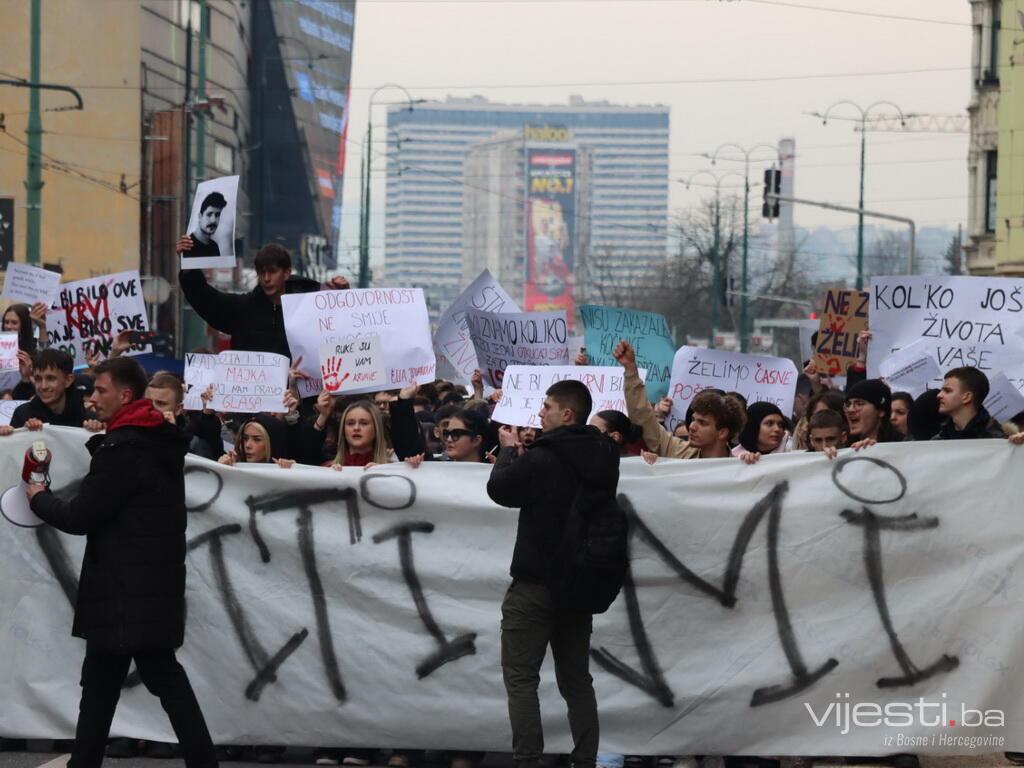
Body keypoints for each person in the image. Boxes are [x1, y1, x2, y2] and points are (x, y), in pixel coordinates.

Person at [25, 357, 218, 768]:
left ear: (125, 395)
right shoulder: (156, 440)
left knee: (145, 682)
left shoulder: (125, 448)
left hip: (124, 591)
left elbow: (81, 517)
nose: (91, 398)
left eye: (100, 390)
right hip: (144, 586)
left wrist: (37, 495)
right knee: (108, 685)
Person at [487, 379, 617, 768]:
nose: (539, 414)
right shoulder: (603, 459)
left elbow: (501, 490)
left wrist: (510, 453)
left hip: (535, 585)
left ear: (567, 414)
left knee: (522, 679)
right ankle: (585, 759)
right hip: (578, 586)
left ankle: (528, 759)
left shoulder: (544, 458)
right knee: (577, 680)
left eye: (546, 407)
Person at [177, 238, 347, 359]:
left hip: (298, 405)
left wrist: (342, 296)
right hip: (250, 403)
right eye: (261, 272)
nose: (266, 278)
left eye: (272, 272)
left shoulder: (310, 310)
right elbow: (206, 299)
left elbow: (342, 331)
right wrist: (188, 266)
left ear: (287, 273)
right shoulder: (243, 310)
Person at [2, 348, 99, 431]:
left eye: (50, 378)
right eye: (38, 379)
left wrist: (97, 432)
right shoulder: (23, 415)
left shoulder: (89, 420)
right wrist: (8, 436)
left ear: (68, 380)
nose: (43, 386)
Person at [933, 366, 1005, 440]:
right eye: (941, 391)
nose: (939, 395)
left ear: (967, 397)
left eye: (947, 391)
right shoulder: (938, 440)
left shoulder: (997, 440)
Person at [844, 379, 901, 449]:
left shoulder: (902, 446)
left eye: (859, 404)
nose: (850, 409)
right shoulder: (843, 448)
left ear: (881, 411)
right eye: (848, 405)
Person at [186, 192, 227, 258]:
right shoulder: (188, 245)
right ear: (200, 216)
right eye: (209, 214)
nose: (213, 220)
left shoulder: (214, 246)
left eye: (217, 215)